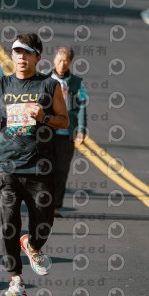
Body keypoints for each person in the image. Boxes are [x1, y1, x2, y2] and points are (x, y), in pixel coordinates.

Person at [0, 33, 69, 296]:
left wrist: (45, 117)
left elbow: (64, 121)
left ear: (37, 57)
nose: (21, 57)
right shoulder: (3, 84)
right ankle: (16, 279)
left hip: (40, 167)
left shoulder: (49, 85)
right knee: (8, 224)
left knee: (43, 222)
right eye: (17, 52)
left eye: (27, 52)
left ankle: (33, 245)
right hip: (7, 165)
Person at [45, 47, 88, 218]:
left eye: (66, 61)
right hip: (46, 132)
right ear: (54, 60)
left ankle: (55, 206)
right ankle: (43, 203)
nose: (62, 64)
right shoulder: (44, 78)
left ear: (70, 63)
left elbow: (82, 106)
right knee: (44, 169)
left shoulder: (76, 82)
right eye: (59, 60)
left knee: (61, 170)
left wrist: (81, 130)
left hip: (66, 133)